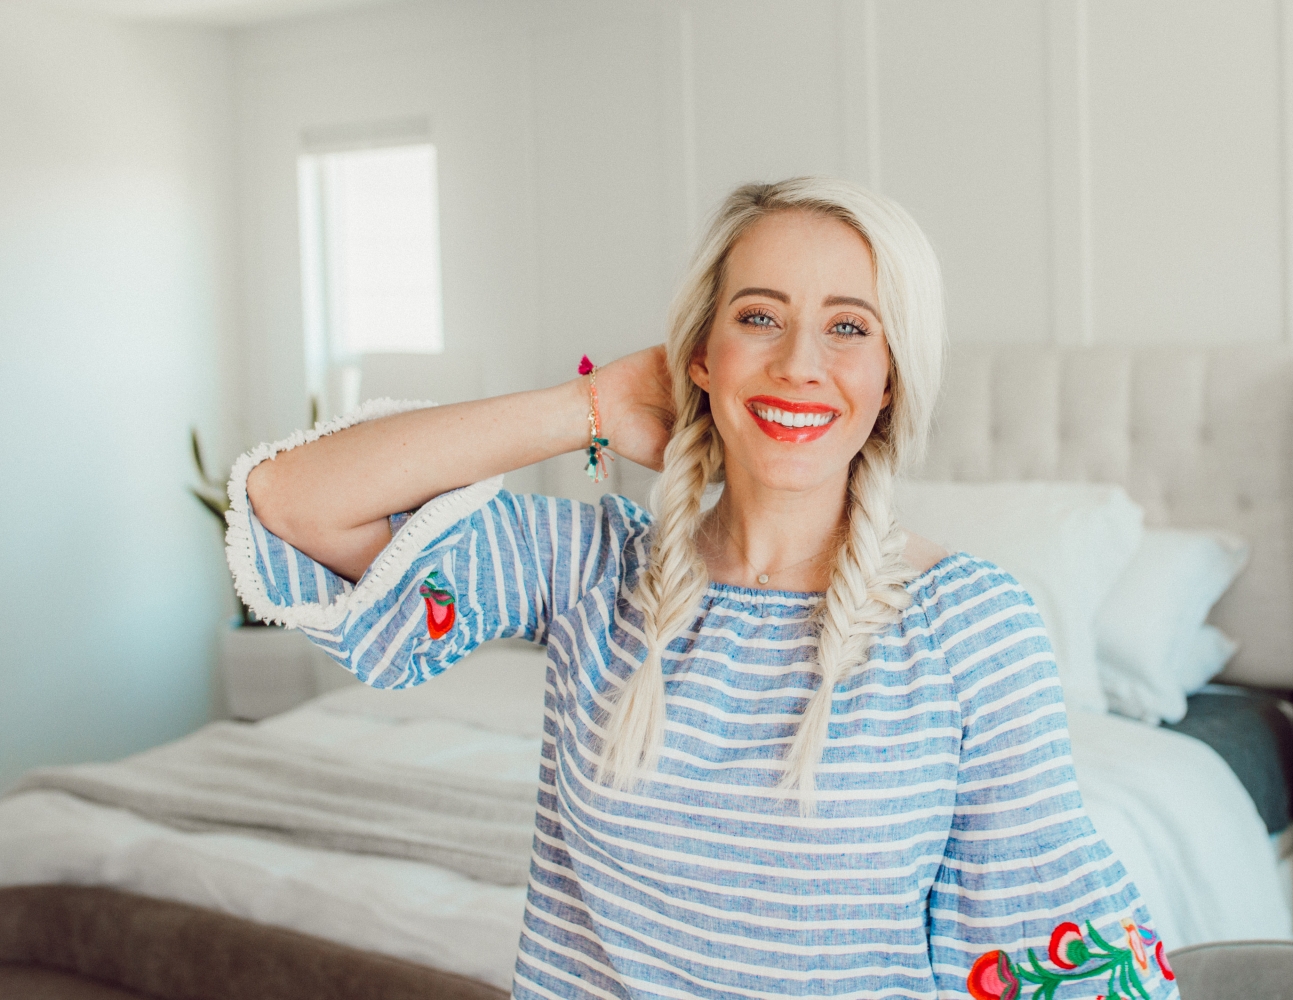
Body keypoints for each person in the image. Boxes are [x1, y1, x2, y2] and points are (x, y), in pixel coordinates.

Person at [228, 177, 1178, 1000]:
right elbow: (288, 503)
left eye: (849, 327)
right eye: (759, 317)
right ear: (700, 354)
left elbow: (1052, 952)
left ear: (890, 378)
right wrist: (590, 404)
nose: (798, 363)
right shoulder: (592, 571)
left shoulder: (973, 628)